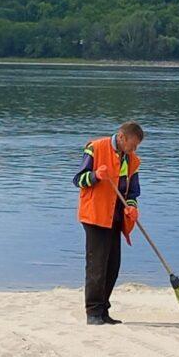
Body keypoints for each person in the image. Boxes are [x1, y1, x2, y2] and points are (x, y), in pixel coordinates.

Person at [73, 121, 143, 325]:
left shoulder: (132, 160)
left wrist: (131, 206)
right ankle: (93, 312)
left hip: (116, 217)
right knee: (97, 265)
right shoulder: (95, 148)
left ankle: (104, 310)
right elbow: (78, 179)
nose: (134, 149)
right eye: (133, 144)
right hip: (95, 215)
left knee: (113, 265)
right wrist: (95, 176)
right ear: (122, 137)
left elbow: (132, 192)